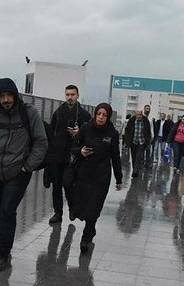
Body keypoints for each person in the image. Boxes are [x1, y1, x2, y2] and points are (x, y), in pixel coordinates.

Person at [0, 78, 48, 271]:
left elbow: (41, 142)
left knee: (7, 209)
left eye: (9, 96)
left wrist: (27, 167)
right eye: (2, 96)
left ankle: (2, 253)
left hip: (18, 172)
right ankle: (6, 238)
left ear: (15, 96)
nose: (6, 100)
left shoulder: (29, 114)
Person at [70, 103, 123, 253]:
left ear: (108, 117)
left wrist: (118, 178)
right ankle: (88, 226)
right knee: (81, 203)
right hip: (84, 174)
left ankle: (87, 237)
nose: (101, 117)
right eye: (99, 114)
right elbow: (73, 146)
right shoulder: (86, 128)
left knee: (94, 207)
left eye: (104, 115)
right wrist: (81, 151)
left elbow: (115, 157)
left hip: (101, 176)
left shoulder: (112, 133)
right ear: (95, 114)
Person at [45, 85, 91, 224]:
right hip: (57, 155)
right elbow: (51, 133)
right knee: (56, 185)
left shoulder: (84, 115)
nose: (70, 97)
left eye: (72, 94)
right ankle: (58, 212)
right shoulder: (58, 113)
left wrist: (79, 133)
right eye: (67, 95)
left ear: (77, 95)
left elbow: (90, 135)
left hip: (73, 156)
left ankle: (72, 206)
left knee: (68, 183)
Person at [124, 109, 151, 177]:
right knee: (134, 157)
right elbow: (127, 130)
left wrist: (147, 141)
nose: (139, 116)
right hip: (133, 141)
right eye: (137, 115)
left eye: (140, 115)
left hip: (141, 141)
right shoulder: (132, 120)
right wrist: (127, 142)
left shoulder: (145, 121)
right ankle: (135, 169)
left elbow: (148, 131)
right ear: (135, 115)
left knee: (138, 157)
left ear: (142, 115)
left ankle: (135, 171)